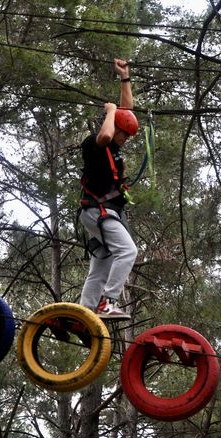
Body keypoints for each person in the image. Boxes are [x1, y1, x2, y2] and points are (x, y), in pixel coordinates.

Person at [78, 58, 139, 320]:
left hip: (104, 213)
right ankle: (107, 302)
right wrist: (110, 111)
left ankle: (84, 314)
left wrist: (124, 78)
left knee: (102, 264)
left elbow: (127, 109)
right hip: (97, 211)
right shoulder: (95, 143)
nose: (125, 139)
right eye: (123, 134)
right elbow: (105, 134)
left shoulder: (114, 145)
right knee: (128, 251)